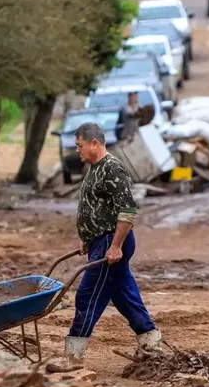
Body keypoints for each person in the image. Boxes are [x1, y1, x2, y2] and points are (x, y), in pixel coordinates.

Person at [47, 122, 162, 372]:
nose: (77, 151)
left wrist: (116, 246)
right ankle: (151, 345)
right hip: (101, 241)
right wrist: (87, 236)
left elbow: (128, 210)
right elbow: (96, 207)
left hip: (112, 242)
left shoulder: (112, 168)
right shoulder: (94, 169)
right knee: (124, 295)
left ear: (95, 143)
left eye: (80, 146)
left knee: (87, 296)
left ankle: (73, 357)